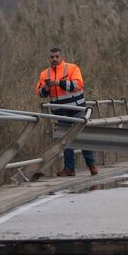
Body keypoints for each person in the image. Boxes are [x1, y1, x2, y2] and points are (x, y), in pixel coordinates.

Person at [35, 47, 98, 176]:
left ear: (62, 57)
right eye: (52, 57)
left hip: (77, 108)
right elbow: (40, 93)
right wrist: (47, 87)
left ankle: (91, 164)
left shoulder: (72, 68)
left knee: (81, 136)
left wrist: (59, 83)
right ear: (49, 58)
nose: (54, 59)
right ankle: (69, 168)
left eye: (57, 56)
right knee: (65, 139)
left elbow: (78, 84)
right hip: (60, 111)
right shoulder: (44, 74)